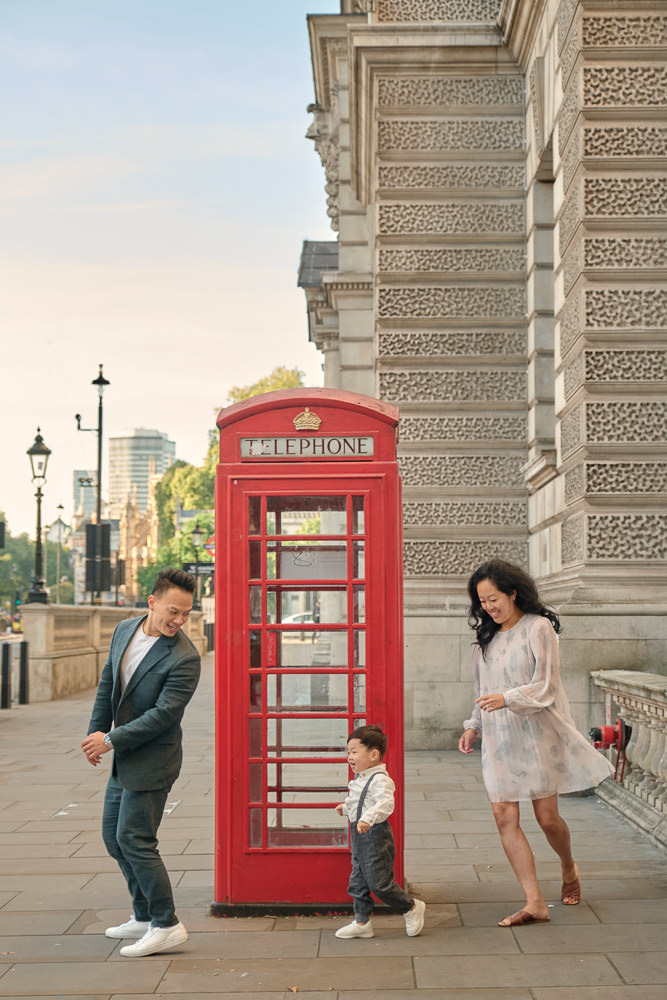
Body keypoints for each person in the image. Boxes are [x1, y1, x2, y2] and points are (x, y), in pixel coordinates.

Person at [458, 559, 614, 927]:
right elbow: (483, 690)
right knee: (503, 816)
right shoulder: (486, 639)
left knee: (547, 818)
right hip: (499, 736)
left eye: (493, 598)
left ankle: (567, 865)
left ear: (513, 593)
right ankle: (534, 903)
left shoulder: (538, 628)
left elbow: (546, 686)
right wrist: (473, 725)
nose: (489, 607)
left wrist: (507, 699)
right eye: (482, 601)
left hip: (537, 733)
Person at [81, 568, 201, 957]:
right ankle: (144, 913)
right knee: (113, 837)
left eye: (185, 614)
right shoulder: (124, 631)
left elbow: (162, 716)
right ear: (152, 602)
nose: (179, 621)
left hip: (153, 759)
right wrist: (95, 735)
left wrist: (111, 739)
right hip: (123, 754)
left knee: (135, 839)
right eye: (173, 611)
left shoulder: (184, 658)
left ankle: (167, 924)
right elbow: (107, 684)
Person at [334, 725, 426, 939]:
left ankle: (411, 907)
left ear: (374, 754)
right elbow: (360, 802)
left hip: (375, 835)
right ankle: (362, 922)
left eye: (354, 751)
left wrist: (367, 819)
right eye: (348, 752)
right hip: (358, 835)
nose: (349, 756)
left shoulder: (380, 780)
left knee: (379, 883)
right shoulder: (361, 778)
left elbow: (385, 804)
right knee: (357, 881)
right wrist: (346, 808)